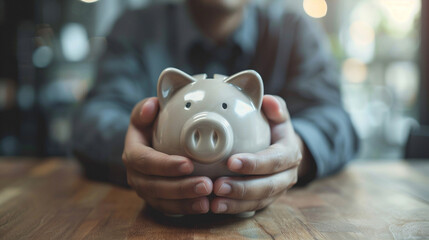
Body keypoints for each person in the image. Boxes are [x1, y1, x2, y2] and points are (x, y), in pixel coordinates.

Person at [72, 0, 358, 215]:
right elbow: (94, 117)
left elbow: (334, 119)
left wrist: (296, 148)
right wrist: (137, 147)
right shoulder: (135, 28)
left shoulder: (293, 31)